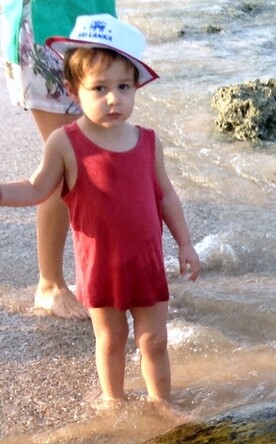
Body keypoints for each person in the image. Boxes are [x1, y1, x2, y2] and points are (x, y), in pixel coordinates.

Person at [0, 13, 201, 412]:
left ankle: (163, 405)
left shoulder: (147, 141)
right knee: (111, 341)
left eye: (124, 87)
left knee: (153, 341)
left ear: (136, 87)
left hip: (146, 263)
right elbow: (38, 189)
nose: (114, 99)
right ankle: (114, 402)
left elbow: (165, 196)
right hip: (101, 266)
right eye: (100, 88)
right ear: (74, 92)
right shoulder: (65, 142)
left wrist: (185, 243)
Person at [2, 0, 115, 318]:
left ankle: (100, 272)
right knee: (68, 162)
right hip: (46, 30)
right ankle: (50, 285)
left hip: (91, 27)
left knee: (94, 155)